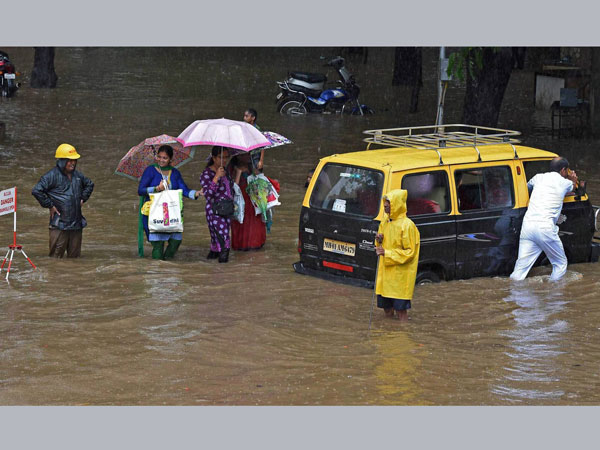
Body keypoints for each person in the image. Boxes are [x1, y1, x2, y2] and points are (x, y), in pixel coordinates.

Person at [510, 157, 578, 281]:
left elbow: (527, 188)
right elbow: (573, 188)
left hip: (528, 226)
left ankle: (514, 295)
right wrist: (573, 179)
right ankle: (553, 294)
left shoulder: (538, 177)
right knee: (560, 263)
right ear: (563, 170)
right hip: (545, 228)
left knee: (520, 269)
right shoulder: (565, 183)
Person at [138, 145, 200, 260]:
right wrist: (156, 188)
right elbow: (140, 190)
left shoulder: (175, 173)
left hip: (172, 212)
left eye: (165, 158)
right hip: (153, 212)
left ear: (171, 159)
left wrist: (196, 193)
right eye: (159, 157)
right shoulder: (150, 170)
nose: (161, 160)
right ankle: (158, 270)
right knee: (158, 244)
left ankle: (167, 265)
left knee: (176, 241)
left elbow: (183, 190)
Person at [32, 143, 94, 258]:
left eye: (74, 160)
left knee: (74, 260)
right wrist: (50, 205)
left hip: (76, 224)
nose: (73, 163)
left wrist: (83, 198)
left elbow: (90, 184)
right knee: (55, 260)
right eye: (69, 160)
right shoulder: (51, 176)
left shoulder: (77, 176)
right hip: (59, 224)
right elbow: (36, 190)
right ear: (61, 161)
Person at [374, 189, 420, 322]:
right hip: (386, 275)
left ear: (397, 204)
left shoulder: (407, 226)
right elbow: (379, 245)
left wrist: (386, 253)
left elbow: (410, 252)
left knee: (401, 310)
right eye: (385, 202)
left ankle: (402, 335)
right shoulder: (385, 222)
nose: (386, 205)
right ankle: (389, 333)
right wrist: (379, 240)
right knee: (386, 308)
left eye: (389, 203)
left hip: (400, 277)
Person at [200, 146, 233, 263]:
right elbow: (208, 195)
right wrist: (217, 177)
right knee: (224, 241)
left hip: (227, 210)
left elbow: (230, 190)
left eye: (226, 158)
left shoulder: (226, 171)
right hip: (215, 211)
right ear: (214, 158)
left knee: (216, 241)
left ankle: (212, 267)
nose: (224, 160)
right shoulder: (207, 173)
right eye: (220, 157)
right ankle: (224, 271)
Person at [229, 153, 267, 250]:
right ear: (237, 156)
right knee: (241, 221)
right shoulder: (233, 167)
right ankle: (242, 245)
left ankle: (255, 243)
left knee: (254, 221)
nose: (246, 157)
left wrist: (261, 160)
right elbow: (233, 187)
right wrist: (238, 172)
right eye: (243, 155)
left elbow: (259, 181)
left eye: (247, 154)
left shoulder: (254, 165)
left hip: (252, 199)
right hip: (240, 201)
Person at [243, 108, 265, 172]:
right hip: (245, 154)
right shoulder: (243, 127)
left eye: (247, 116)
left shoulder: (257, 129)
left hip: (255, 155)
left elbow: (263, 145)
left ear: (253, 118)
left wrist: (261, 160)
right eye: (244, 116)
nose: (244, 118)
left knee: (257, 173)